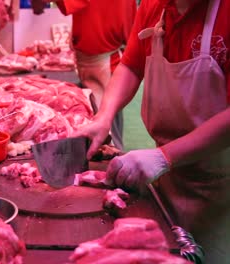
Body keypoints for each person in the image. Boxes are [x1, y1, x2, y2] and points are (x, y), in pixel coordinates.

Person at [72, 0, 230, 262]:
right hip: (167, 177)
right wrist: (104, 116)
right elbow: (131, 65)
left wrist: (164, 156)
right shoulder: (155, 5)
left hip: (220, 184)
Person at [54, 0, 138, 150]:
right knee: (107, 119)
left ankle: (112, 162)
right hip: (107, 57)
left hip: (105, 63)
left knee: (105, 124)